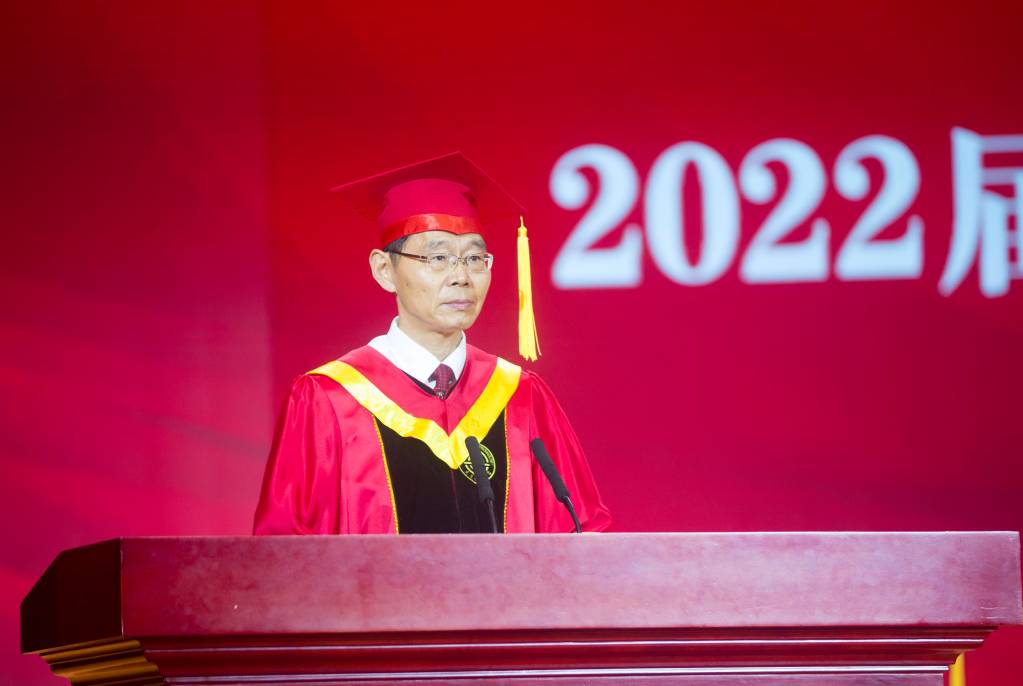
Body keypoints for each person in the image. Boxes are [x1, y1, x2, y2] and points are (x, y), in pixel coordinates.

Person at [253, 153, 611, 534]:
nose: (461, 277)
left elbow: (582, 539)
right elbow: (284, 554)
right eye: (438, 257)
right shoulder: (329, 400)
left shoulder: (522, 397)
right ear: (384, 270)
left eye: (474, 258)